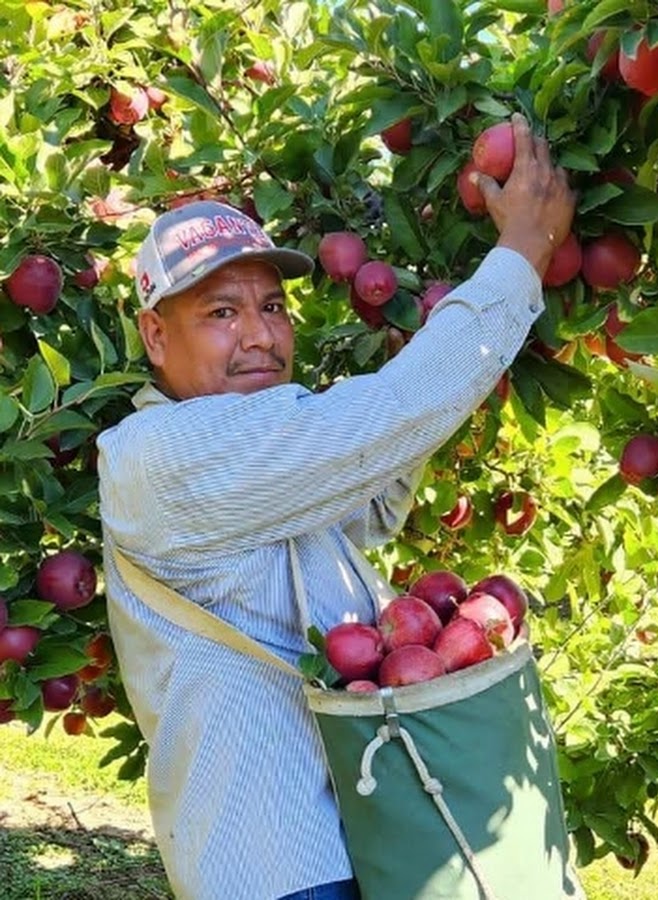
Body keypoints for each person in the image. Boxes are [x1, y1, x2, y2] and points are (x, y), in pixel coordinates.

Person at [97, 112, 575, 900]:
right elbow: (376, 426)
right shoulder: (158, 457)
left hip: (365, 837)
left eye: (273, 307)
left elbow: (369, 501)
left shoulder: (264, 447)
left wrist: (425, 372)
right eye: (221, 312)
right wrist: (521, 256)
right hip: (273, 862)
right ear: (154, 335)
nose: (259, 335)